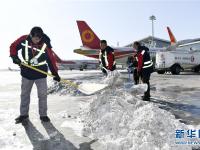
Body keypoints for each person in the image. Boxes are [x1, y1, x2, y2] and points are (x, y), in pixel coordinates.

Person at [10, 27, 61, 123]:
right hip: (26, 72)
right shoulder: (23, 39)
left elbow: (51, 59)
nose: (37, 40)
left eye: (39, 38)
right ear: (30, 35)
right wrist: (14, 57)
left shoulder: (45, 44)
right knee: (25, 95)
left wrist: (55, 74)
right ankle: (23, 115)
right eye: (35, 38)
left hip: (40, 74)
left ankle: (43, 115)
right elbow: (13, 46)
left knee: (42, 95)